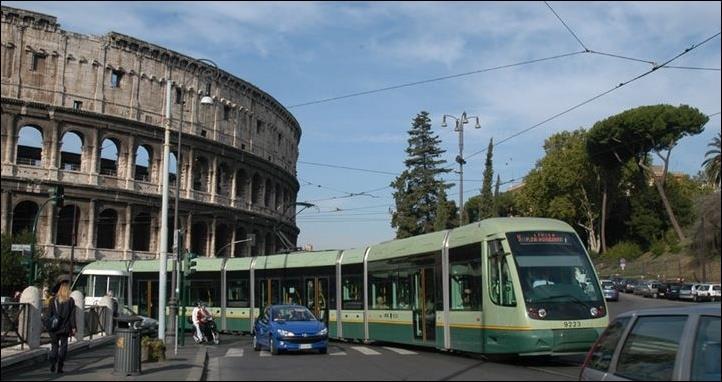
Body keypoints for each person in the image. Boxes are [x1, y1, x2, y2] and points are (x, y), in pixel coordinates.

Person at [48, 278, 77, 374]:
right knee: (63, 347)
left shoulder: (53, 300)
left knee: (54, 346)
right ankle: (60, 367)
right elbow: (72, 316)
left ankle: (52, 362)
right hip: (65, 328)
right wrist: (73, 327)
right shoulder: (71, 301)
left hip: (54, 328)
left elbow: (49, 315)